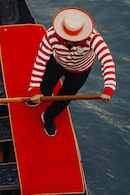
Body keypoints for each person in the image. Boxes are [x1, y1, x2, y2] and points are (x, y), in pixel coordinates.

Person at [27, 7, 116, 137]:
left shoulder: (94, 38)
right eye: (66, 38)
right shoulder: (51, 35)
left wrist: (108, 88)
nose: (69, 42)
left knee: (65, 97)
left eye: (74, 39)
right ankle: (44, 94)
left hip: (79, 71)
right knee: (45, 83)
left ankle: (48, 116)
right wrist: (34, 90)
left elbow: (107, 61)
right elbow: (40, 61)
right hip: (57, 62)